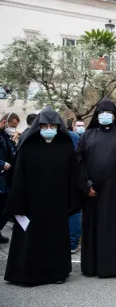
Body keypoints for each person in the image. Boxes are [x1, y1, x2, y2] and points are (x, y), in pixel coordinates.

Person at [3, 107, 79, 286]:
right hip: (32, 204)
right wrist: (19, 203)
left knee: (55, 239)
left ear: (59, 126)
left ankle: (57, 273)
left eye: (53, 125)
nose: (49, 128)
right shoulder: (28, 146)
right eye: (44, 125)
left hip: (57, 203)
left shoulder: (66, 147)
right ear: (39, 126)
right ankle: (28, 274)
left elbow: (73, 176)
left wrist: (71, 200)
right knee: (31, 239)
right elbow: (19, 177)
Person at [77, 98, 116, 278]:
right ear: (97, 115)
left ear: (114, 115)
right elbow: (78, 162)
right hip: (92, 194)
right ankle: (91, 266)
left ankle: (115, 266)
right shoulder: (87, 136)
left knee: (114, 230)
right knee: (93, 229)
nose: (105, 116)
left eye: (109, 113)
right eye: (101, 113)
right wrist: (85, 185)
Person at [0, 112, 19, 243]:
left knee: (5, 208)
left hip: (5, 179)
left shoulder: (5, 136)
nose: (13, 128)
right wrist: (1, 164)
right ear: (4, 122)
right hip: (1, 175)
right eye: (12, 125)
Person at [65, 118, 82, 254]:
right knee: (75, 212)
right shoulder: (75, 137)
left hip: (66, 179)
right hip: (76, 178)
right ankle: (72, 243)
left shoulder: (71, 136)